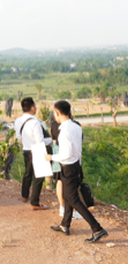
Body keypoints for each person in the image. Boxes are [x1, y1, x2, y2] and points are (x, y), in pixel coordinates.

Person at [45, 101, 108, 243]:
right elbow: (78, 149)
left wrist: (51, 157)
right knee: (68, 196)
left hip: (67, 166)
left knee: (73, 199)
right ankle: (65, 225)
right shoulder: (76, 127)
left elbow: (65, 154)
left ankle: (97, 229)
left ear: (57, 113)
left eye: (54, 113)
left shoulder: (63, 131)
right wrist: (78, 166)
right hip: (74, 165)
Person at [15, 97, 51, 210]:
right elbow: (40, 141)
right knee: (39, 176)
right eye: (35, 106)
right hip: (37, 150)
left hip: (26, 150)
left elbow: (19, 136)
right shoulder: (35, 122)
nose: (36, 108)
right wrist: (50, 140)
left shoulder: (18, 120)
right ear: (31, 108)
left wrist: (27, 141)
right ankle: (35, 202)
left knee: (28, 173)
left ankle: (25, 196)